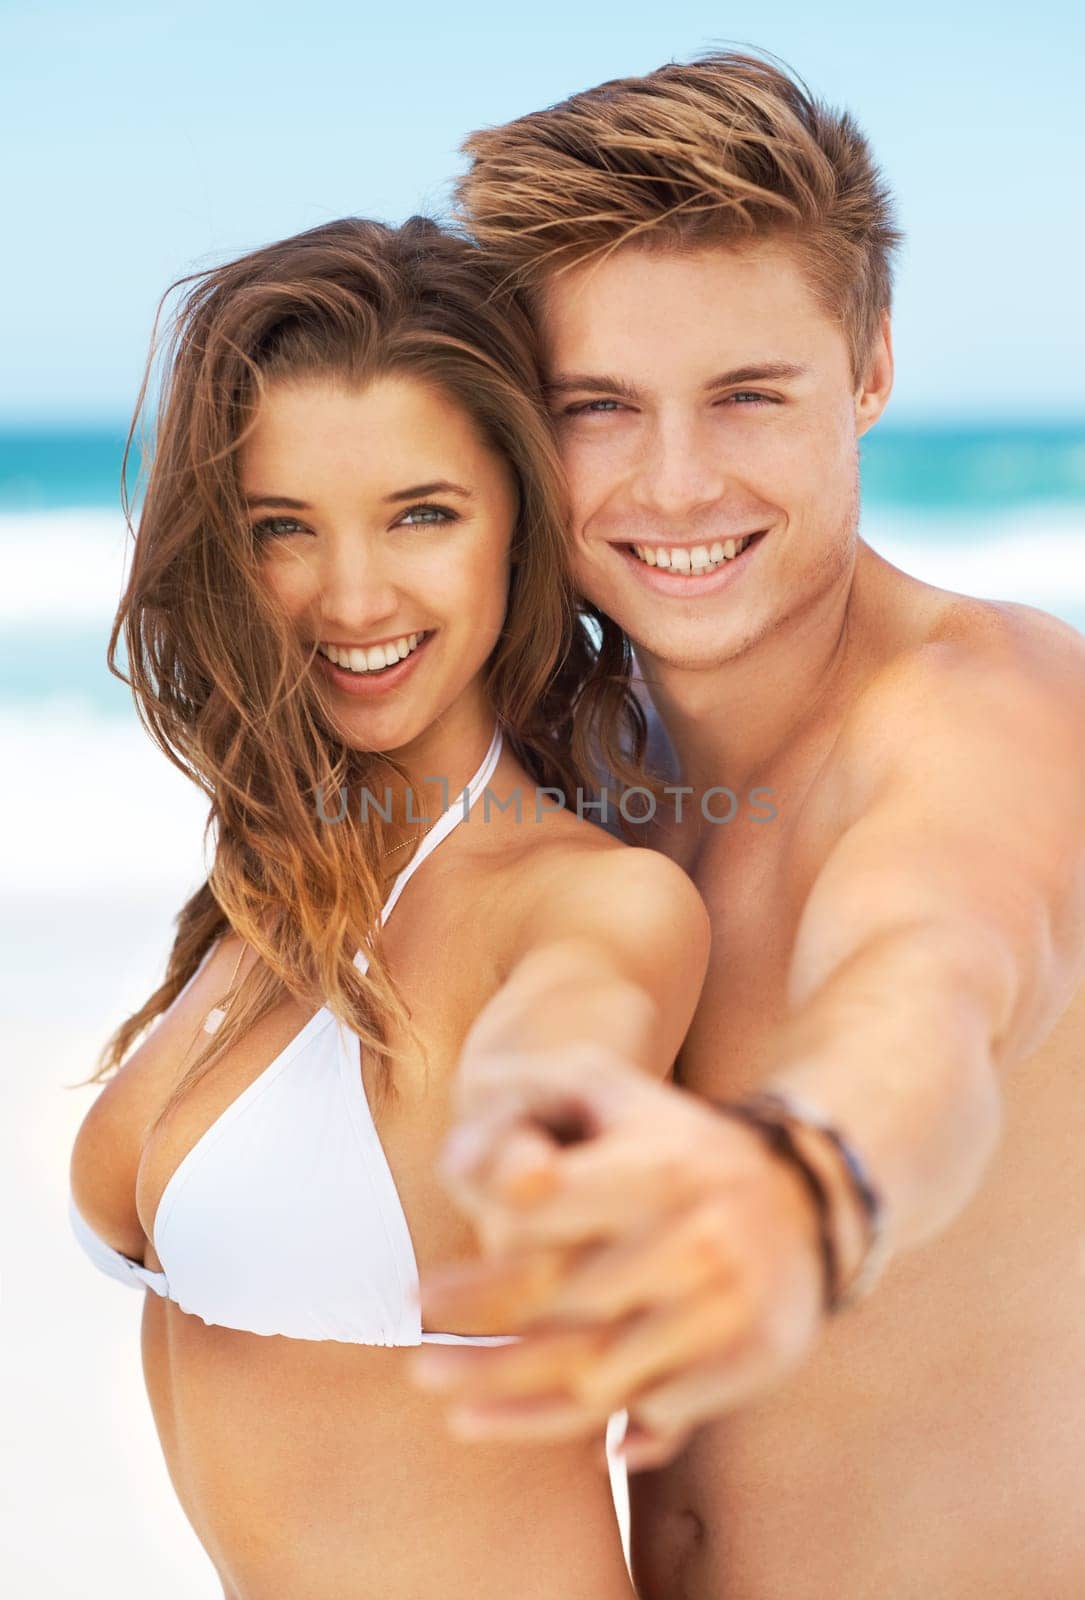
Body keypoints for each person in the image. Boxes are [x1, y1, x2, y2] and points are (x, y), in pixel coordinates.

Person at [407, 52, 1085, 1600]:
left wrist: (801, 1185)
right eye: (597, 409)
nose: (675, 483)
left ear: (867, 371)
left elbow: (930, 985)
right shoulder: (572, 768)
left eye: (745, 396)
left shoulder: (995, 700)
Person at [67, 215, 710, 1600]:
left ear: (516, 526)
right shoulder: (274, 881)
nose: (352, 597)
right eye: (282, 528)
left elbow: (578, 1030)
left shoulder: (586, 906)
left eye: (424, 513)